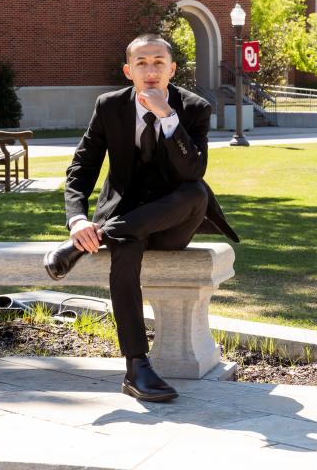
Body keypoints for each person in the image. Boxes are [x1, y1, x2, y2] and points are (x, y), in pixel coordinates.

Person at [44, 33, 239, 402]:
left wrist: (168, 117)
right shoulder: (110, 106)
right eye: (142, 63)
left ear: (172, 69)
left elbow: (193, 170)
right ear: (128, 70)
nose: (151, 71)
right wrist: (77, 220)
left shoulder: (193, 108)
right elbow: (82, 167)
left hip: (171, 222)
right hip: (126, 219)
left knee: (196, 192)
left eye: (158, 63)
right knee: (126, 247)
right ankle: (137, 367)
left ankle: (89, 242)